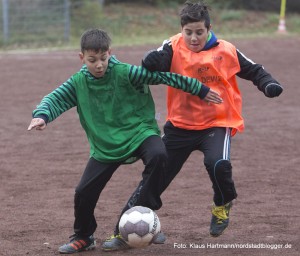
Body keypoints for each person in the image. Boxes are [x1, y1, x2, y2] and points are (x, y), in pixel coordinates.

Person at [103, 1, 283, 250]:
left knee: (218, 164)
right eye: (189, 32)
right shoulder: (173, 45)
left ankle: (222, 204)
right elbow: (154, 62)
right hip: (180, 126)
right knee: (154, 177)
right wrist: (151, 61)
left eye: (199, 32)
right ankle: (121, 232)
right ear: (182, 30)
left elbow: (254, 70)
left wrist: (268, 84)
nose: (194, 37)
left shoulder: (226, 49)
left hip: (217, 123)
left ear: (209, 28)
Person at [27, 28, 222, 254]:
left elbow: (163, 77)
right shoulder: (78, 82)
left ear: (110, 53)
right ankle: (83, 236)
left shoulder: (127, 72)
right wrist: (41, 116)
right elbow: (54, 98)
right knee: (83, 192)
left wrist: (199, 89)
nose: (99, 65)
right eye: (92, 60)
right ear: (82, 58)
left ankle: (146, 212)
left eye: (103, 58)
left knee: (159, 155)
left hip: (140, 132)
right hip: (106, 144)